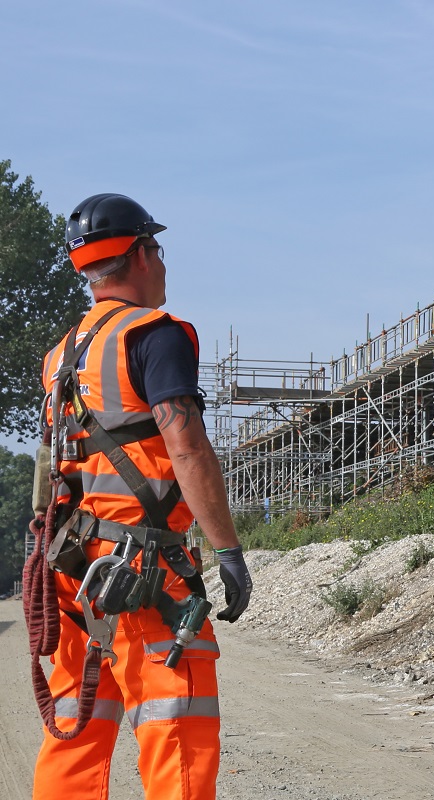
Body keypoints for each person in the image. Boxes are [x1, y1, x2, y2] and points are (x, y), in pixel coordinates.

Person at [30, 193, 252, 800]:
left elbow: (56, 470)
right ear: (141, 254)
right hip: (144, 573)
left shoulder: (60, 358)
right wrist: (227, 549)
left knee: (77, 722)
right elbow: (187, 448)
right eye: (156, 248)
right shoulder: (156, 335)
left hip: (76, 571)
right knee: (174, 718)